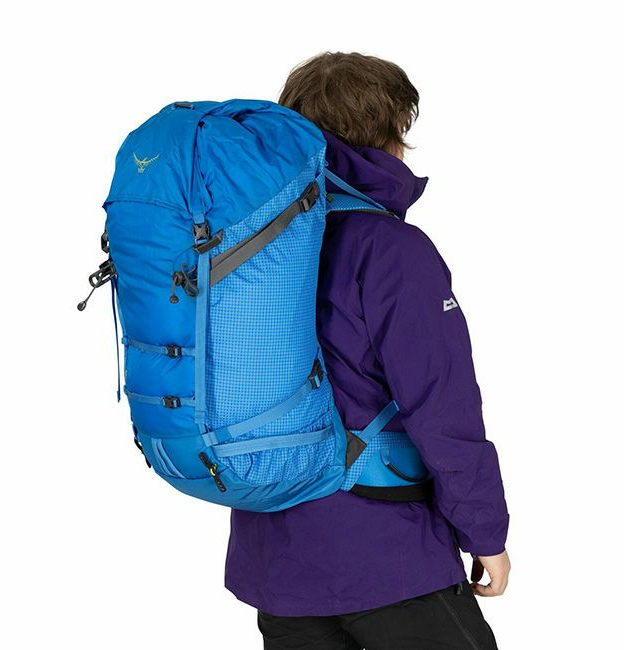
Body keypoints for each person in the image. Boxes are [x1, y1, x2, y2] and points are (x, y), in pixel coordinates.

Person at [224, 51, 510, 650]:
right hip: (387, 554)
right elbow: (442, 404)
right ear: (389, 134)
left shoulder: (246, 246)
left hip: (276, 560)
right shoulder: (390, 249)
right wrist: (484, 530)